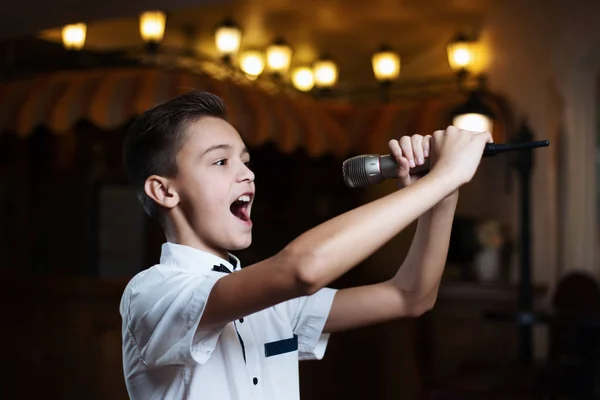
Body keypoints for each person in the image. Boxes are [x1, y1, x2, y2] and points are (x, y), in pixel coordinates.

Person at [119, 90, 492, 399]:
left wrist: (443, 193)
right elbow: (303, 268)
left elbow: (411, 296)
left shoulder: (275, 304)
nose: (247, 173)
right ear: (164, 190)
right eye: (220, 161)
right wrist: (441, 179)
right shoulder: (151, 294)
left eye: (245, 161)